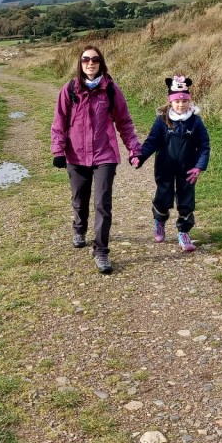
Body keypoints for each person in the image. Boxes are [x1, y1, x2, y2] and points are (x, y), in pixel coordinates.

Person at [51, 45, 142, 274]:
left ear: (101, 62)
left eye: (94, 59)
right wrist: (58, 151)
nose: (90, 63)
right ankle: (79, 228)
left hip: (105, 154)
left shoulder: (111, 89)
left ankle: (101, 251)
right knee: (79, 199)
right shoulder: (70, 89)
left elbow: (125, 123)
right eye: (85, 59)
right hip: (76, 155)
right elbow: (59, 122)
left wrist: (134, 150)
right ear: (80, 63)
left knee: (102, 204)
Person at [133, 75, 210, 252]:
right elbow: (151, 142)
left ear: (189, 101)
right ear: (170, 101)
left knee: (186, 200)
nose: (181, 104)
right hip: (165, 167)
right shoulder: (162, 120)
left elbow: (204, 146)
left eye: (184, 100)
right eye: (177, 101)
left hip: (188, 170)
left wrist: (199, 166)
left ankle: (184, 233)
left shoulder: (196, 122)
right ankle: (159, 221)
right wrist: (140, 157)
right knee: (163, 197)